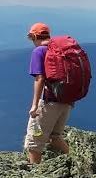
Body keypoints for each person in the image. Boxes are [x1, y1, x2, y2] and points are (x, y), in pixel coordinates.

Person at [23, 23, 72, 164]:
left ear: (34, 36)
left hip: (49, 101)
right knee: (55, 137)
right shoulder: (60, 49)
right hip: (66, 100)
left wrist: (34, 106)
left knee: (33, 143)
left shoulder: (39, 51)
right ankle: (79, 161)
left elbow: (40, 79)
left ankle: (35, 173)